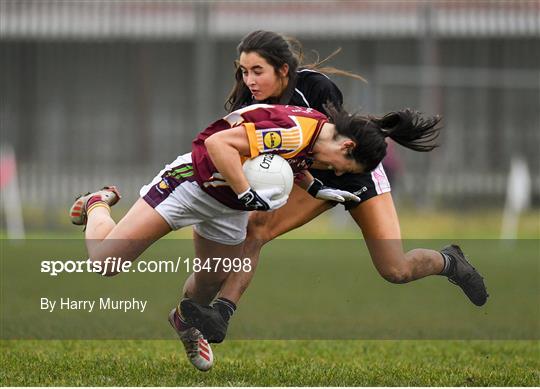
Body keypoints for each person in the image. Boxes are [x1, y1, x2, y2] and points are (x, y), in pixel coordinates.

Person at [69, 100, 440, 370]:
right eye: (344, 168)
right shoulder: (296, 131)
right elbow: (218, 145)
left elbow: (287, 163)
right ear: (347, 146)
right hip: (190, 186)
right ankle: (97, 204)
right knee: (107, 263)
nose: (338, 173)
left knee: (209, 284)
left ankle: (185, 322)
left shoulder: (318, 133)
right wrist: (246, 191)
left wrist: (313, 189)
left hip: (228, 206)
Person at [175, 31, 488, 349]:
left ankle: (450, 261)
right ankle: (222, 313)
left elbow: (334, 147)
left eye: (258, 71)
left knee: (396, 269)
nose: (250, 79)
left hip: (353, 169)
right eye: (245, 72)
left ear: (282, 69)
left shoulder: (315, 86)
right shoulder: (249, 104)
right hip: (308, 175)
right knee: (256, 229)